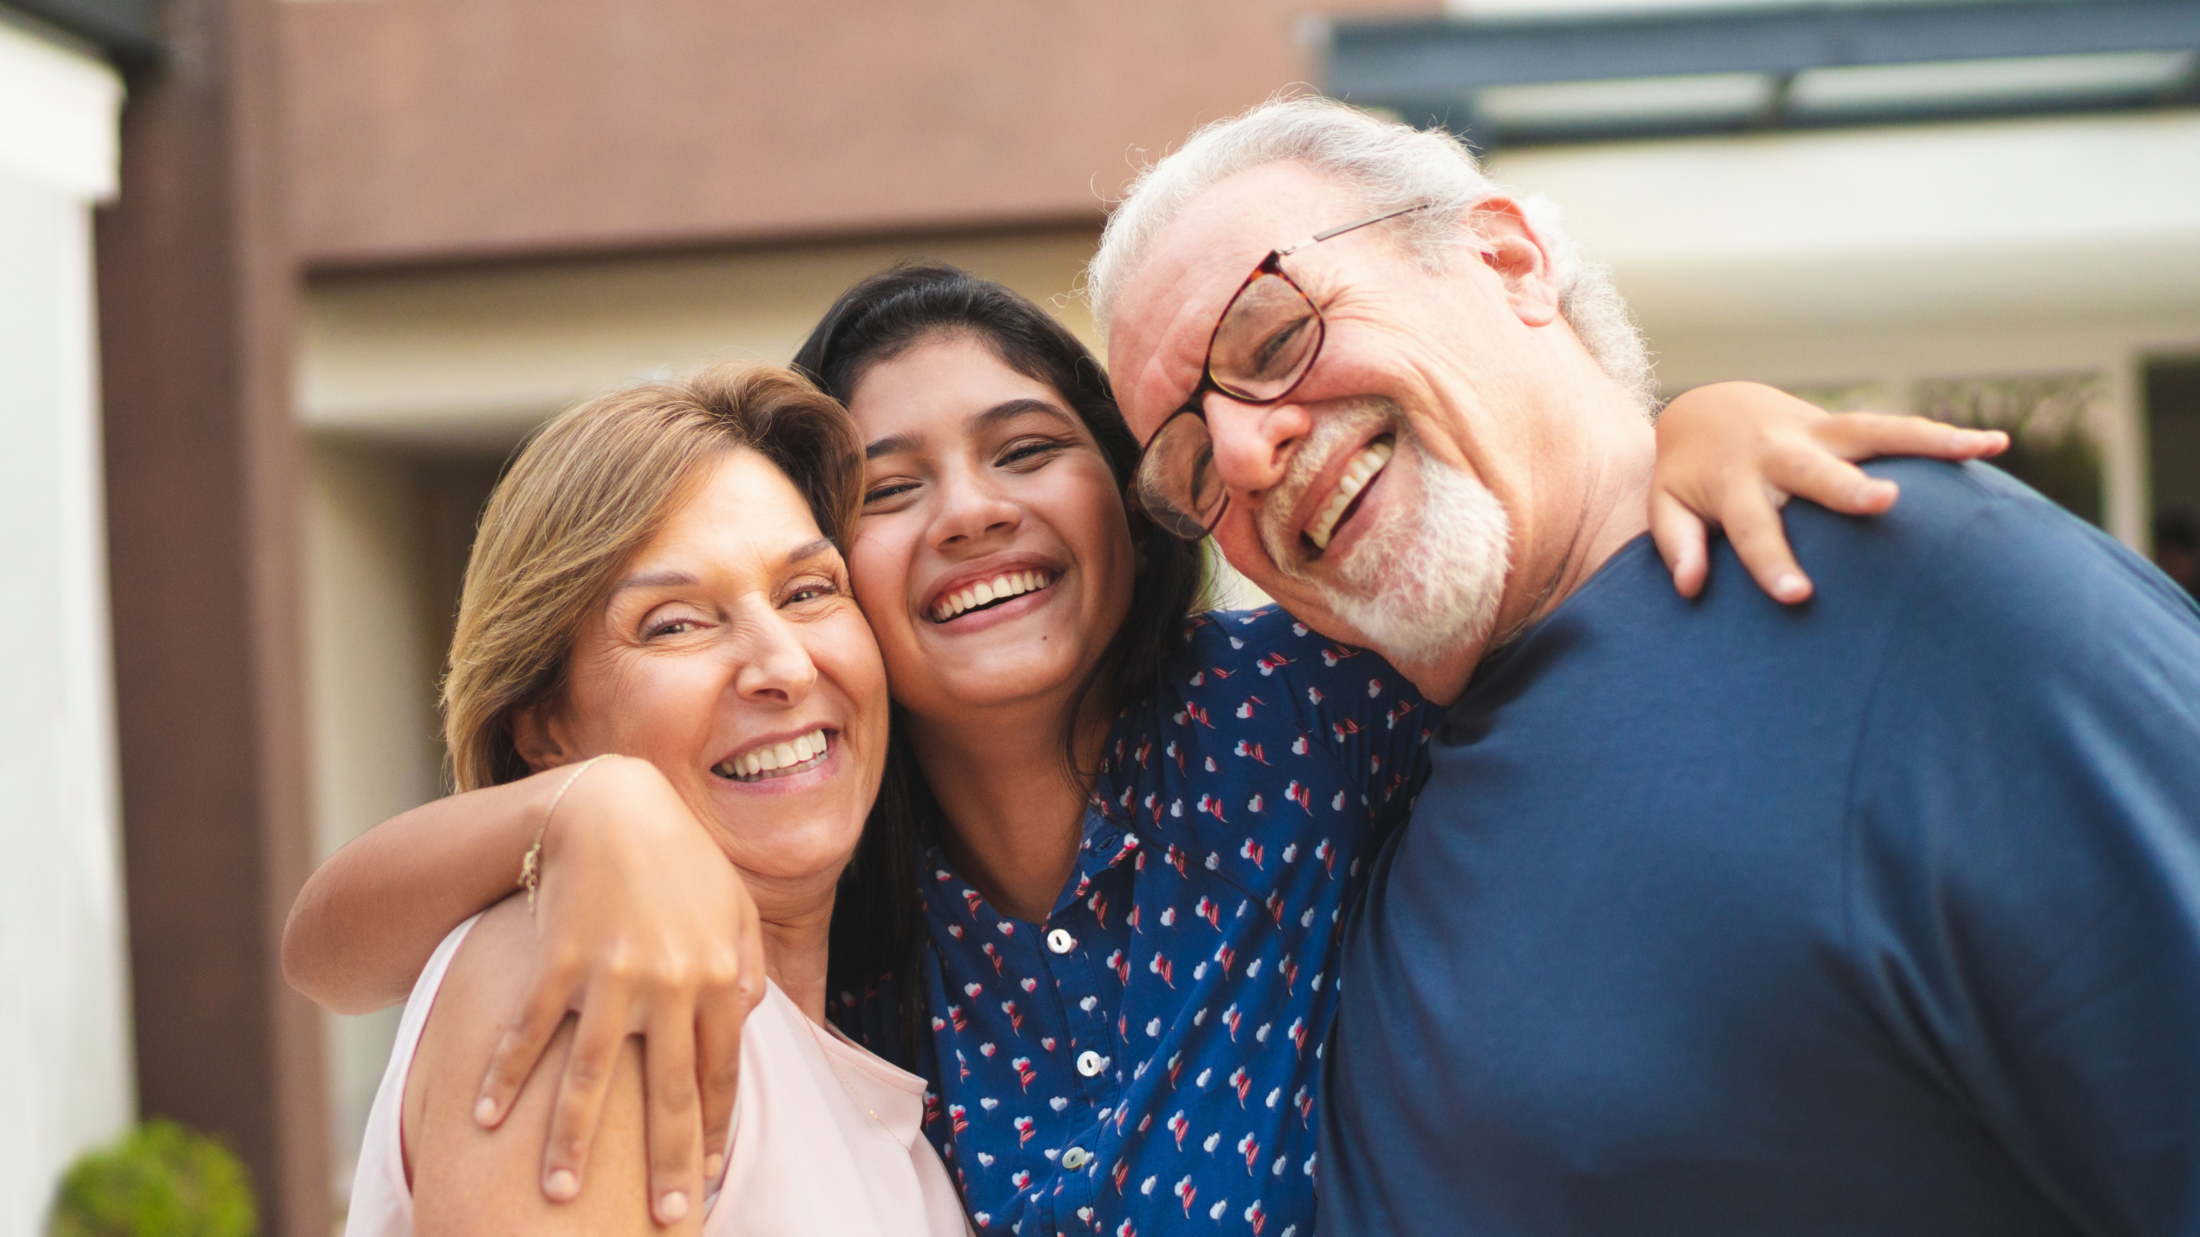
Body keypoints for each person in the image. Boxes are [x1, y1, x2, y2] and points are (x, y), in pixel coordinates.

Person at [285, 264, 1999, 1235]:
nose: (969, 515)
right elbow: (336, 946)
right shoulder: (781, 932)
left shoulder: (1314, 699)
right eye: (884, 493)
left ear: (1130, 497)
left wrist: (1684, 429)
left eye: (1029, 447)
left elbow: (1548, 582)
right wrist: (582, 808)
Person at [1091, 96, 2200, 1235]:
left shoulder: (1918, 590)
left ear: (1509, 260)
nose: (1244, 448)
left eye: (1274, 339)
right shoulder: (1341, 778)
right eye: (1187, 469)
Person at [342, 363, 969, 1236]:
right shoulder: (578, 960)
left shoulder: (852, 1073)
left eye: (810, 591)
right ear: (546, 727)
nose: (784, 665)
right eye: (675, 623)